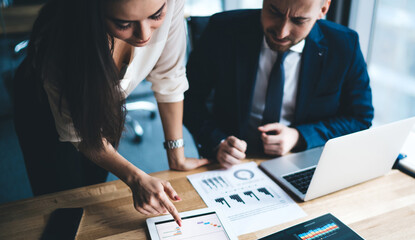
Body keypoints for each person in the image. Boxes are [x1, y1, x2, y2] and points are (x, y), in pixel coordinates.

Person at [13, 0, 209, 226]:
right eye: (124, 23)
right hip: (44, 104)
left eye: (155, 16)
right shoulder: (60, 42)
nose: (144, 35)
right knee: (62, 202)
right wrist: (134, 177)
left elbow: (169, 77)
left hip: (105, 101)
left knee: (94, 188)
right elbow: (77, 133)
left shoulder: (170, 3)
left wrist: (177, 155)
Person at [184, 0, 374, 169]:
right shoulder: (223, 29)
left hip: (301, 161)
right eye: (274, 12)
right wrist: (218, 141)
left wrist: (299, 136)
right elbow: (187, 98)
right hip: (229, 163)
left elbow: (360, 117)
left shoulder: (344, 45)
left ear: (322, 9)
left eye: (299, 20)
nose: (282, 32)